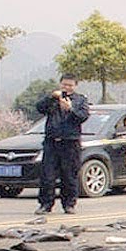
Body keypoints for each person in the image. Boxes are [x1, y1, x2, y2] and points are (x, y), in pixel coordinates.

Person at [34, 73, 90, 215]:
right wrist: (51, 97)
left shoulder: (80, 100)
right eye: (64, 84)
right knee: (47, 175)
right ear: (60, 84)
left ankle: (69, 204)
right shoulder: (53, 99)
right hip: (52, 142)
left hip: (70, 143)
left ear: (75, 86)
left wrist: (70, 109)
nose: (67, 87)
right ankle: (45, 204)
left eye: (70, 85)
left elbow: (83, 117)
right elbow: (39, 108)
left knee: (69, 175)